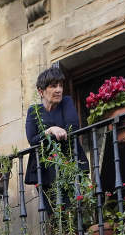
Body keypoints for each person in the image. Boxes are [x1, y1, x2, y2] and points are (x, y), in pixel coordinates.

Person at [24, 64, 87, 215]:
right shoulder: (34, 111)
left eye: (60, 85)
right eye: (53, 86)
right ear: (41, 91)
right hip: (44, 171)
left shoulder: (66, 102)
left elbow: (72, 127)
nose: (59, 89)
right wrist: (49, 130)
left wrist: (50, 134)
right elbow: (32, 139)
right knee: (54, 213)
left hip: (70, 163)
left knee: (75, 209)